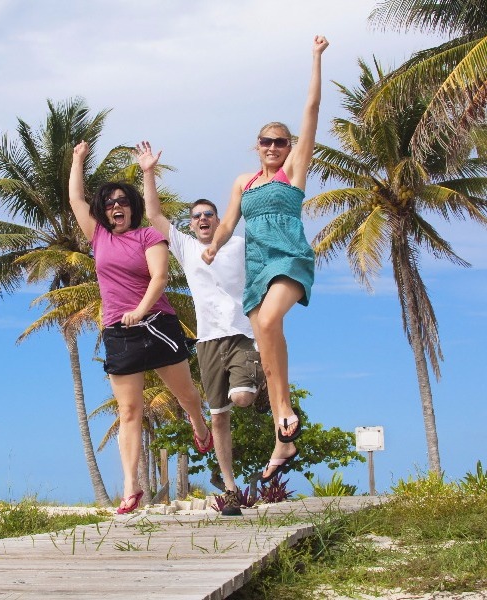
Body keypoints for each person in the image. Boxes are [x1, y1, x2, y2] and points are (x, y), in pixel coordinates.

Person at [202, 35, 330, 483]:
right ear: (256, 146)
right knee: (267, 350)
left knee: (271, 323)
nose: (273, 147)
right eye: (266, 142)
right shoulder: (244, 181)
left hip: (289, 258)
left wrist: (315, 58)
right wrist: (216, 243)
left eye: (280, 141)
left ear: (289, 145)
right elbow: (228, 222)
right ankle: (283, 433)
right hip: (258, 267)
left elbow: (311, 111)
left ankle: (285, 410)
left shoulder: (295, 170)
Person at [69, 140, 213, 515]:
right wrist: (78, 160)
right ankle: (131, 487)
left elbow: (160, 277)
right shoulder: (98, 236)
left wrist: (140, 309)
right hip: (119, 332)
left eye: (123, 201)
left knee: (186, 397)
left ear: (132, 207)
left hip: (156, 324)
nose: (117, 207)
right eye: (111, 203)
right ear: (104, 210)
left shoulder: (149, 235)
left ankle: (200, 426)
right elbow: (75, 201)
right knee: (129, 411)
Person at [137, 141, 267, 516]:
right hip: (207, 341)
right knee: (219, 415)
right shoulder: (186, 247)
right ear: (191, 224)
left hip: (242, 333)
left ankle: (259, 386)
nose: (203, 219)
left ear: (219, 218)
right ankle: (230, 489)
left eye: (209, 214)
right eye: (196, 216)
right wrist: (148, 171)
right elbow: (154, 213)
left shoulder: (239, 243)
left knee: (242, 398)